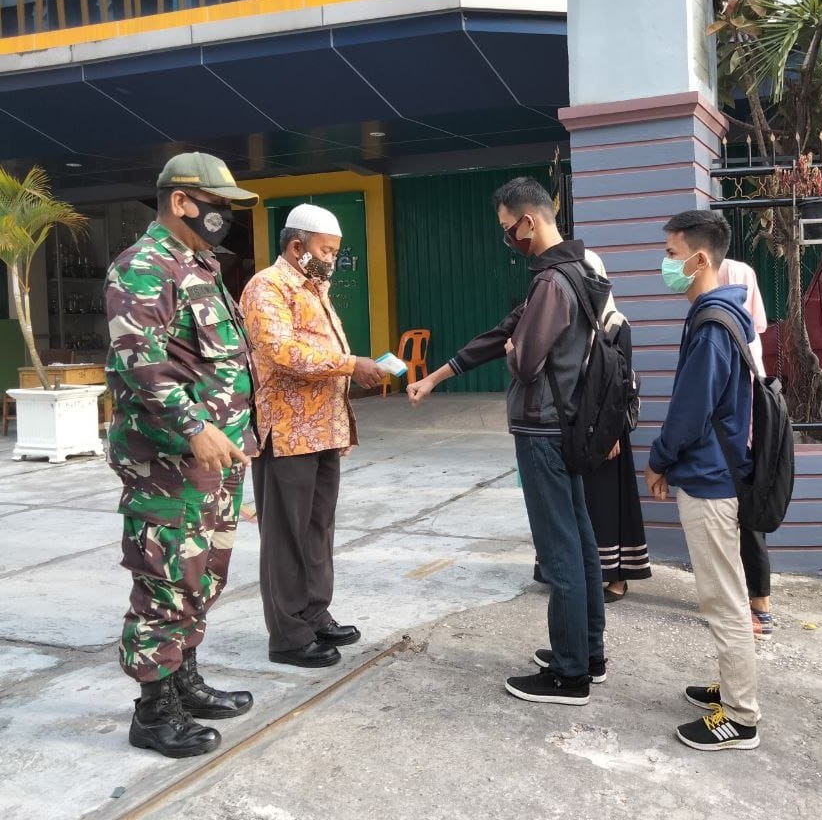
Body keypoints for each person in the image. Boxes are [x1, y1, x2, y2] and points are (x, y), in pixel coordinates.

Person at [408, 177, 607, 705]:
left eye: (507, 229)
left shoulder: (552, 284)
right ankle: (589, 651)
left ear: (530, 221)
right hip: (567, 424)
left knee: (559, 549)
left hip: (543, 429)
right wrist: (438, 375)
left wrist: (520, 345)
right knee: (580, 538)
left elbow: (522, 356)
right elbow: (503, 334)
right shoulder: (577, 269)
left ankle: (569, 675)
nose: (508, 240)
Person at [105, 152, 260, 759]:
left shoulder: (201, 266)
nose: (224, 215)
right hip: (168, 459)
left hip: (214, 461)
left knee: (202, 575)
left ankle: (183, 681)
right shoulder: (142, 267)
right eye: (217, 204)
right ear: (181, 201)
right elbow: (140, 362)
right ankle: (152, 710)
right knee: (166, 579)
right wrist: (195, 427)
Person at [240, 205, 388, 668]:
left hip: (324, 428)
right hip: (286, 432)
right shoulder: (266, 286)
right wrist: (350, 364)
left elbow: (321, 350)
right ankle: (287, 635)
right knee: (286, 534)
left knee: (318, 528)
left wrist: (355, 368)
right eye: (327, 250)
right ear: (297, 245)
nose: (333, 260)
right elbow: (282, 352)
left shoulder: (314, 288)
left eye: (336, 252)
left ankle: (314, 613)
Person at [645, 209, 760, 751]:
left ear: (700, 258)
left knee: (723, 599)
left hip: (710, 480)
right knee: (724, 591)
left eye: (671, 254)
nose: (666, 264)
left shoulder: (712, 323)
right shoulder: (719, 314)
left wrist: (660, 459)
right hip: (713, 471)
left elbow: (690, 411)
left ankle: (739, 715)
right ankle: (730, 685)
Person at [581, 249, 651, 603]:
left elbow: (619, 384)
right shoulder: (577, 322)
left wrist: (608, 433)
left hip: (608, 434)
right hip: (580, 430)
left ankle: (617, 578)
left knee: (609, 502)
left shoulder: (616, 324)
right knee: (585, 503)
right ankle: (587, 573)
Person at [718, 257, 774, 641]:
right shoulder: (745, 336)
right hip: (743, 438)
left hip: (739, 441)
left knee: (745, 522)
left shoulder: (724, 332)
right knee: (742, 522)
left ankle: (758, 606)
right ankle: (755, 602)